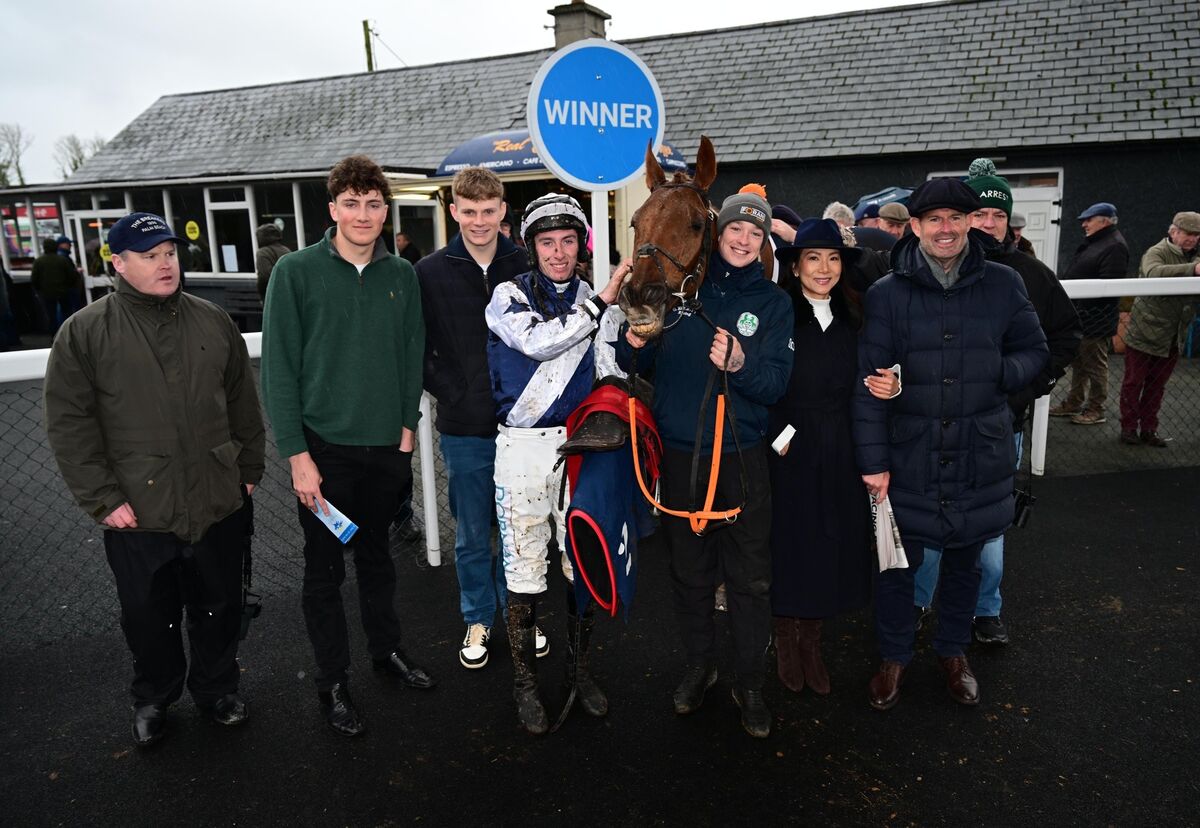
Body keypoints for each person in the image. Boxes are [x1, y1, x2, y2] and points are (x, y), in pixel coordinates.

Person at [43, 211, 265, 747]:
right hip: (139, 509)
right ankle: (154, 697)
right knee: (148, 615)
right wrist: (102, 498)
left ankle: (217, 690)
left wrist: (249, 469)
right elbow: (69, 423)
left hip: (217, 496)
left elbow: (241, 402)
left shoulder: (212, 320)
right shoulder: (86, 331)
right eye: (149, 256)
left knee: (219, 604)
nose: (165, 264)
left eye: (169, 253)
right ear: (118, 264)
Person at [853, 178, 1047, 712]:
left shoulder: (1004, 284)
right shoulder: (887, 294)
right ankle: (893, 658)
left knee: (967, 565)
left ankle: (953, 653)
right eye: (933, 219)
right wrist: (873, 461)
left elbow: (1037, 350)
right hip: (909, 453)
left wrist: (999, 375)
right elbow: (869, 384)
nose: (946, 228)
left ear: (970, 223)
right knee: (897, 569)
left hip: (978, 451)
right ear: (914, 227)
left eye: (956, 218)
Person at [261, 155, 432, 738]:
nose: (363, 214)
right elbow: (279, 371)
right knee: (324, 573)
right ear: (332, 210)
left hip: (386, 451)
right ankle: (332, 681)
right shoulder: (296, 272)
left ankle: (386, 653)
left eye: (374, 203)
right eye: (352, 203)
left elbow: (412, 355)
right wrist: (297, 456)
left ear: (386, 211)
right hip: (324, 454)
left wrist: (406, 432)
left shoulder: (401, 275)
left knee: (381, 559)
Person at [617, 188, 794, 738]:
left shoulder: (773, 303)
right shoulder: (673, 289)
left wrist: (741, 363)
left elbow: (774, 385)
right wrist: (635, 339)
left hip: (742, 458)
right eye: (736, 230)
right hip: (679, 455)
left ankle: (751, 683)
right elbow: (631, 358)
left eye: (755, 233)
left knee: (750, 582)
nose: (743, 240)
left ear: (763, 241)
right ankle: (700, 666)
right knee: (689, 575)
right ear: (718, 233)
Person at [913, 161, 1081, 647]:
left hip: (999, 423)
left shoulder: (1028, 274)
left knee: (988, 527)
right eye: (979, 213)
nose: (987, 223)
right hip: (936, 424)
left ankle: (985, 610)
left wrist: (1022, 387)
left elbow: (1064, 336)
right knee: (926, 519)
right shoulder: (933, 272)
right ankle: (921, 601)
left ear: (1008, 221)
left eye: (996, 215)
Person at [486, 193, 625, 735]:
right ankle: (524, 682)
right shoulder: (506, 295)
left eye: (569, 241)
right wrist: (601, 307)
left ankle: (579, 669)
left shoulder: (596, 296)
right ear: (531, 247)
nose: (560, 253)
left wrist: (632, 345)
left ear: (581, 244)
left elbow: (607, 368)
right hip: (521, 449)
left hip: (579, 447)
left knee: (580, 564)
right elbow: (539, 343)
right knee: (523, 569)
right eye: (548, 242)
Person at [768, 218, 898, 696]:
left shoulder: (855, 318)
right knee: (791, 544)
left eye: (833, 258)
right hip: (789, 447)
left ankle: (812, 642)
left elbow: (878, 374)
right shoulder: (779, 313)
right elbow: (757, 384)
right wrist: (778, 435)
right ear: (796, 265)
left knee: (830, 543)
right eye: (813, 258)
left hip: (841, 446)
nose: (824, 268)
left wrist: (895, 382)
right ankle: (785, 638)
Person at [417, 167, 528, 670]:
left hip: (524, 426)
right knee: (470, 534)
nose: (479, 221)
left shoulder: (526, 263)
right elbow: (417, 349)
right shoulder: (430, 271)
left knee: (521, 527)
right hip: (465, 428)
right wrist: (454, 393)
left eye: (488, 211)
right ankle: (478, 617)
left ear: (503, 211)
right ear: (454, 211)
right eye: (469, 211)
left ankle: (520, 614)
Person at [1118, 211, 1200, 447]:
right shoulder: (1157, 252)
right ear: (1173, 232)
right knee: (1134, 383)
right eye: (1188, 233)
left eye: (1196, 235)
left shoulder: (1194, 256)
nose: (1192, 239)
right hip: (1145, 331)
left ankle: (1149, 429)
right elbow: (1153, 273)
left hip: (1173, 335)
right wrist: (1192, 270)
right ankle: (1129, 428)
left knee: (1156, 386)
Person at [1051, 202, 1130, 425]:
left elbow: (1108, 287)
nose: (1084, 224)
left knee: (1095, 366)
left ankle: (1096, 409)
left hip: (1095, 319)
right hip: (1080, 316)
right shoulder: (1097, 242)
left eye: (1088, 219)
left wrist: (1082, 308)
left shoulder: (1114, 246)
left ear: (1104, 221)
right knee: (1079, 363)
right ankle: (1074, 402)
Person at [31, 236, 83, 336]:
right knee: (66, 314)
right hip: (63, 292)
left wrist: (39, 291)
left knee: (51, 316)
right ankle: (68, 335)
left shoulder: (39, 261)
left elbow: (34, 279)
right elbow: (71, 276)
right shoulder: (62, 260)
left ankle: (54, 336)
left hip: (47, 293)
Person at [254, 223, 292, 301]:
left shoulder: (262, 252)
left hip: (271, 295)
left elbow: (264, 276)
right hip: (289, 292)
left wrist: (261, 293)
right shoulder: (286, 250)